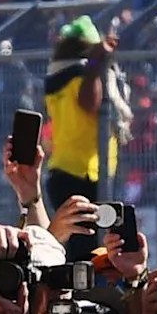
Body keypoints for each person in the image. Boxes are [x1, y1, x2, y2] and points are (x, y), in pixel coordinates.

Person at [39, 18, 112, 208]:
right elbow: (89, 103)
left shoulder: (55, 77)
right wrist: (95, 64)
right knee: (92, 237)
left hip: (64, 170)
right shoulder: (81, 76)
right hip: (83, 173)